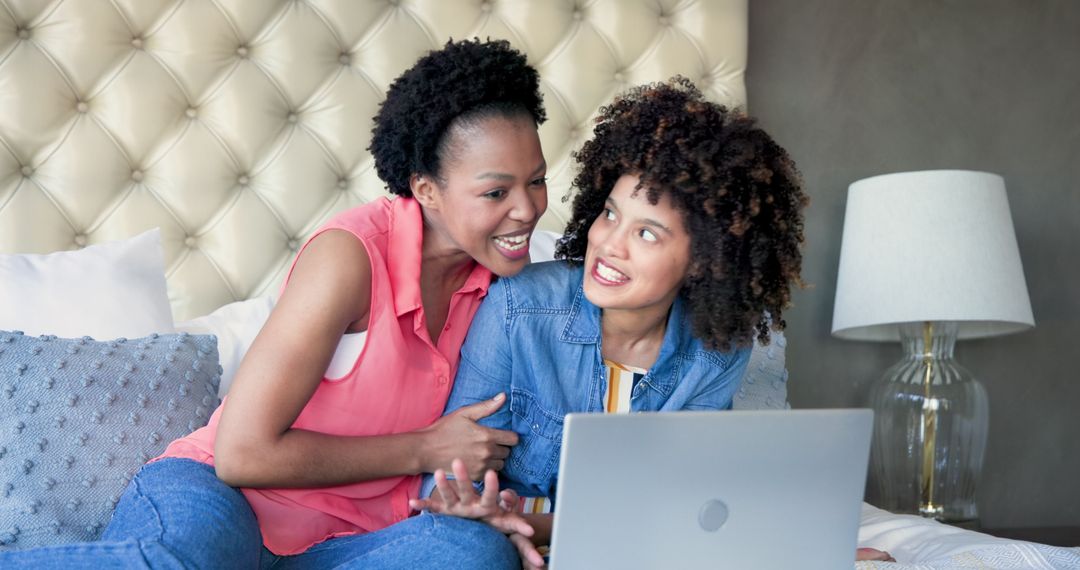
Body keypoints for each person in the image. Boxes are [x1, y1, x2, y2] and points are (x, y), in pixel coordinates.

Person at [0, 38, 548, 569]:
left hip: (350, 544)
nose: (526, 210)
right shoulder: (352, 258)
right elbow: (243, 454)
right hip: (223, 501)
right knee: (176, 563)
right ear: (426, 189)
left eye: (538, 182)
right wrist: (424, 449)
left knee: (473, 554)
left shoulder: (513, 291)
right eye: (496, 193)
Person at [411, 77, 813, 567]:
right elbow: (452, 486)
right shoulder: (520, 307)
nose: (608, 245)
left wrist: (535, 527)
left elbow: (679, 507)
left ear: (705, 260)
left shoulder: (717, 349)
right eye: (610, 213)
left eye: (646, 233)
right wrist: (491, 523)